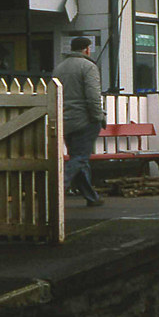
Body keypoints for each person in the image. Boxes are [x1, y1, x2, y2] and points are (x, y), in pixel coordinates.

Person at [53, 37, 106, 206]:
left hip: (66, 120)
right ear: (87, 49)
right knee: (80, 158)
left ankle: (92, 197)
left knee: (78, 158)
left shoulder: (59, 68)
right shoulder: (88, 67)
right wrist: (98, 117)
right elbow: (93, 96)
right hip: (85, 120)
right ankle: (57, 188)